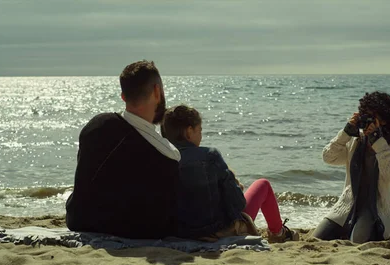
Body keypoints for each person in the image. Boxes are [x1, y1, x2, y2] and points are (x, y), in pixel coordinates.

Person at [65, 60, 181, 239]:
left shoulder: (96, 126)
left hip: (78, 218)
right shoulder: (167, 154)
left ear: (124, 96)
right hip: (128, 229)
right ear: (157, 92)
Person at [161, 104, 298, 243]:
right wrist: (236, 185)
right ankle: (278, 233)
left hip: (178, 233)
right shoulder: (209, 156)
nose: (201, 136)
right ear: (189, 132)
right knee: (263, 184)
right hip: (216, 232)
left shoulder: (159, 159)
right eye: (199, 130)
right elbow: (238, 203)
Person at [313, 91, 390, 243]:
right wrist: (346, 132)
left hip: (374, 210)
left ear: (384, 120)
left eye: (371, 117)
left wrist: (378, 142)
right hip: (347, 206)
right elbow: (328, 157)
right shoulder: (355, 141)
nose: (367, 121)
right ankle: (349, 228)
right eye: (364, 115)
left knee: (357, 242)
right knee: (317, 239)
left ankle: (388, 233)